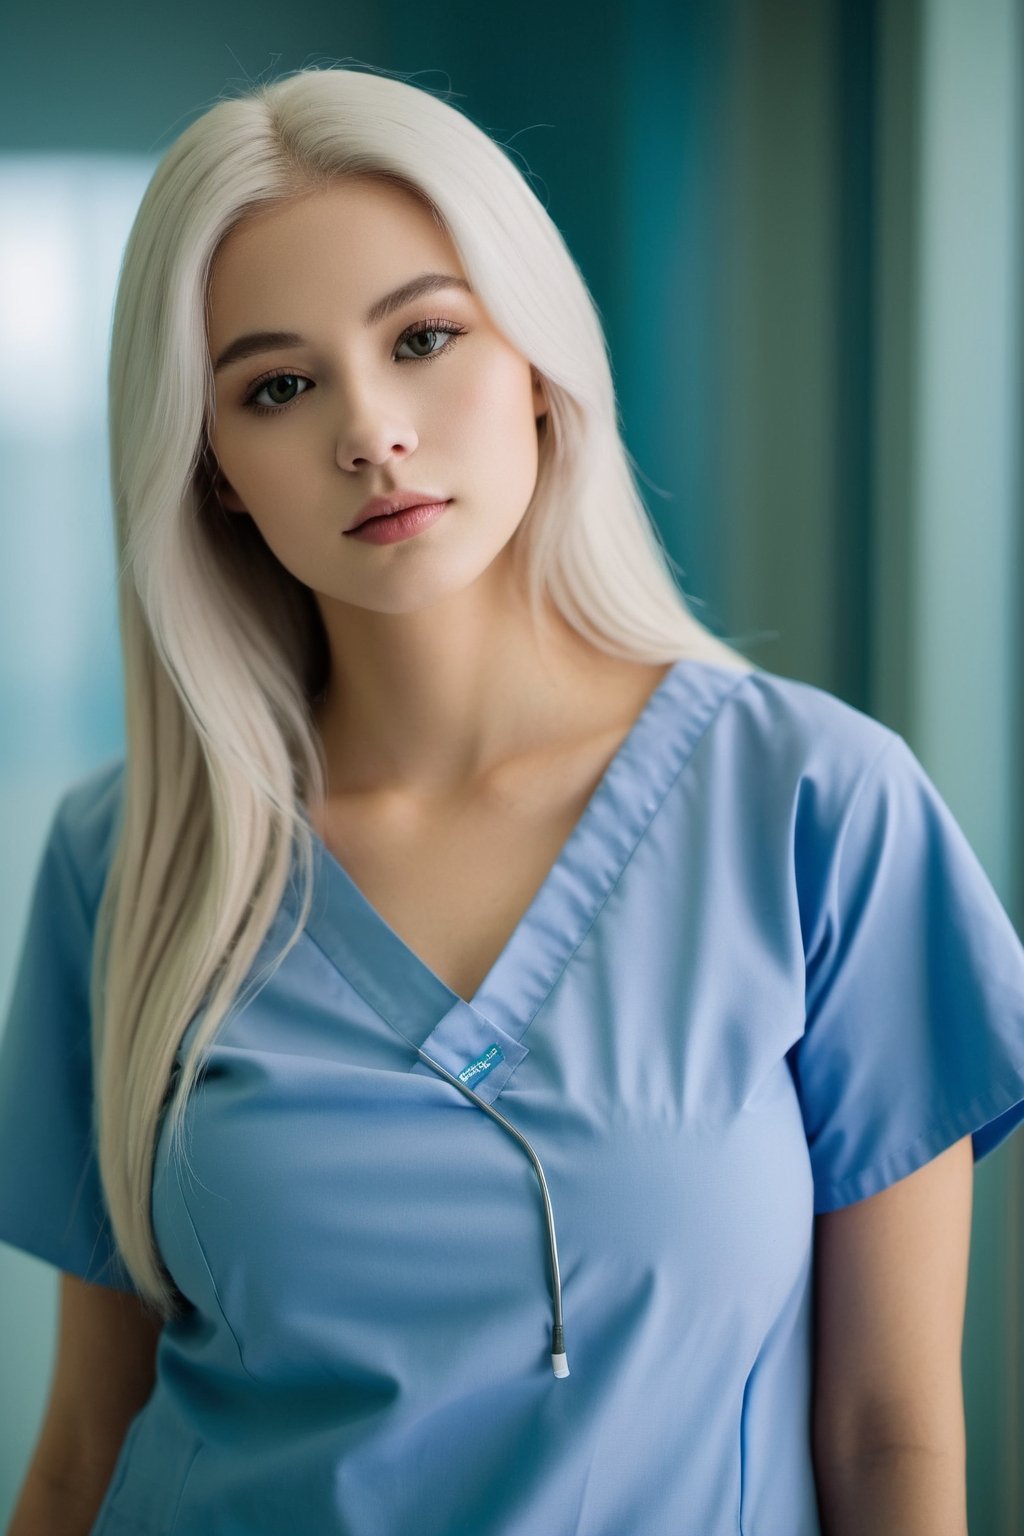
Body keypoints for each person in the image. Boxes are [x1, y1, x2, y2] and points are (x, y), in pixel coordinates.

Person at [1, 60, 1022, 1536]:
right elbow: (84, 1447)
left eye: (423, 338)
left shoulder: (817, 806)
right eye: (277, 387)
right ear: (215, 470)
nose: (370, 430)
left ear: (539, 363)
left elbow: (891, 1442)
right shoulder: (133, 863)